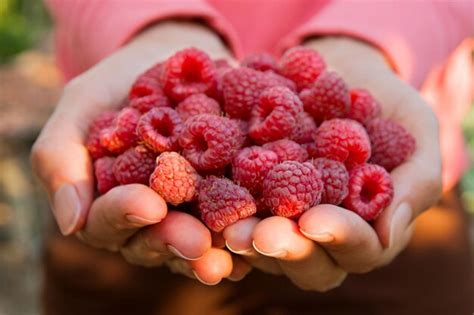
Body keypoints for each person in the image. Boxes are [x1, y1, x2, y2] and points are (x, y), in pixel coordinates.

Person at [32, 1, 473, 314]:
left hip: (406, 239)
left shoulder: (331, 140)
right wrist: (151, 25)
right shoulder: (172, 141)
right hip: (136, 235)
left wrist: (371, 39)